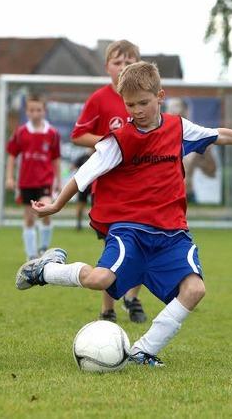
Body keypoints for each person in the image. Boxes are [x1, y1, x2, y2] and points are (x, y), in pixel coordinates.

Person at [15, 61, 232, 366]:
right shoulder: (121, 140)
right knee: (100, 278)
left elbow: (219, 135)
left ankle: (143, 351)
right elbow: (85, 173)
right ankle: (45, 270)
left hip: (172, 234)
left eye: (144, 103)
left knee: (195, 289)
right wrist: (56, 205)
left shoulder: (178, 128)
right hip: (131, 230)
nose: (137, 110)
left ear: (160, 96)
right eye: (130, 104)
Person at [70, 39, 147, 324]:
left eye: (129, 62)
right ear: (107, 67)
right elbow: (78, 134)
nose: (123, 67)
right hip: (109, 190)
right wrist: (109, 143)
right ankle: (107, 308)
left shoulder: (148, 100)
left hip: (144, 188)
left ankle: (133, 298)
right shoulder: (100, 99)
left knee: (144, 245)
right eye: (118, 62)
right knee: (113, 249)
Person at [6, 94, 61, 260]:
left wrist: (58, 180)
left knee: (45, 210)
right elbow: (12, 155)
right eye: (31, 110)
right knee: (29, 218)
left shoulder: (52, 133)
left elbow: (55, 158)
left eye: (38, 110)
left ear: (44, 111)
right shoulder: (21, 132)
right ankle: (31, 256)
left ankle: (44, 248)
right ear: (27, 112)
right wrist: (9, 177)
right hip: (26, 182)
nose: (35, 113)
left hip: (45, 181)